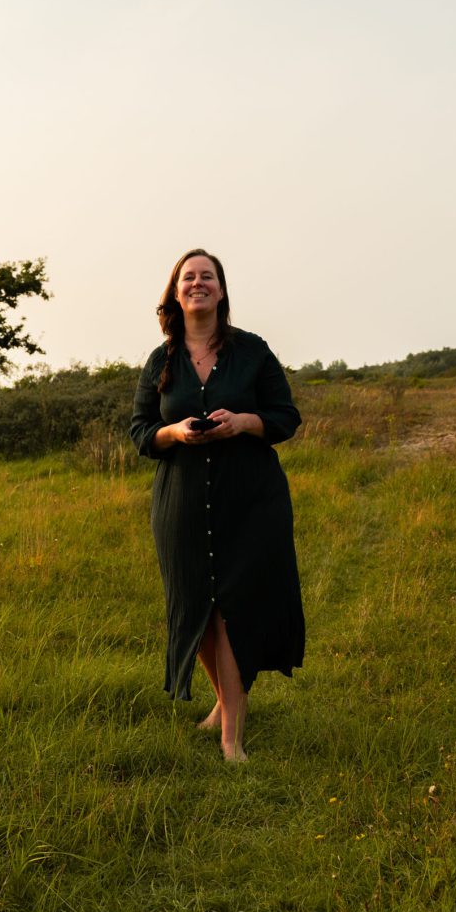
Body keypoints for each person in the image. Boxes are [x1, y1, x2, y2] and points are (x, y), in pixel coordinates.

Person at [130, 248, 305, 762]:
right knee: (197, 612)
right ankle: (223, 702)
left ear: (222, 291)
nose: (198, 283)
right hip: (181, 502)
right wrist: (174, 432)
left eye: (208, 276)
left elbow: (285, 417)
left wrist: (244, 422)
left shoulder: (253, 352)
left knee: (233, 611)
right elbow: (141, 431)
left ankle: (232, 736)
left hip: (249, 500)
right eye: (189, 277)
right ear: (176, 291)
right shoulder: (160, 360)